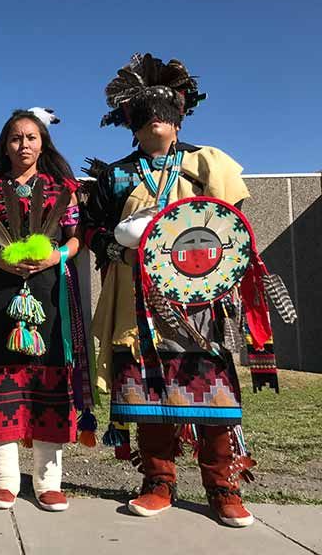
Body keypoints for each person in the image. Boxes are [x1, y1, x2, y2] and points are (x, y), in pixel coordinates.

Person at [83, 53, 260, 527]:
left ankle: (222, 483)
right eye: (145, 111)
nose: (157, 118)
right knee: (147, 385)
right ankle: (158, 480)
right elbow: (93, 229)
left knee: (212, 387)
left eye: (165, 109)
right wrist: (119, 247)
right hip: (136, 298)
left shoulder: (208, 162)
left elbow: (233, 225)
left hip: (198, 299)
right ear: (129, 120)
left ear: (181, 114)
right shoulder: (115, 175)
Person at [0, 108, 94, 511]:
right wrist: (1, 261)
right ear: (5, 144)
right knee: (2, 377)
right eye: (16, 138)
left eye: (31, 137)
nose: (24, 145)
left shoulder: (62, 189)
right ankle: (4, 481)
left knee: (49, 377)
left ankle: (48, 482)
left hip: (50, 290)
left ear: (43, 143)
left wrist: (55, 258)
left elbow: (75, 239)